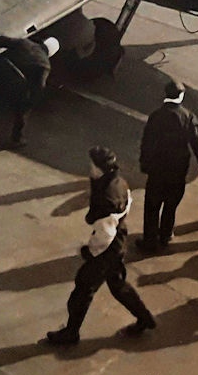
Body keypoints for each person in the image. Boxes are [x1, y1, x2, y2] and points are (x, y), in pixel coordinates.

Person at [46, 147, 156, 346]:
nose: (89, 168)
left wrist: (90, 251)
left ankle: (71, 333)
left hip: (107, 250)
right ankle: (145, 318)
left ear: (98, 168)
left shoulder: (106, 196)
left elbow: (106, 233)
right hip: (118, 244)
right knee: (118, 286)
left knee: (82, 290)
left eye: (92, 165)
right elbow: (125, 205)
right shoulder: (118, 182)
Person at [138, 79, 198, 253]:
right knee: (171, 204)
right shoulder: (189, 117)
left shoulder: (156, 116)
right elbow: (197, 145)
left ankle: (149, 240)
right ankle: (165, 234)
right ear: (181, 95)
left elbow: (147, 142)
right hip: (178, 169)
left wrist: (144, 163)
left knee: (152, 206)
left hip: (158, 167)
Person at [0, 34, 59, 148]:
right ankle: (17, 138)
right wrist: (31, 101)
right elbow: (39, 86)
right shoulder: (45, 64)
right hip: (15, 87)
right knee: (23, 111)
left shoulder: (24, 43)